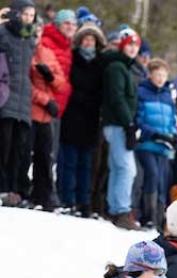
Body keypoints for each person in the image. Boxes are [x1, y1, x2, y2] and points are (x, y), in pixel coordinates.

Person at [57, 22, 105, 217]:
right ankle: (67, 199)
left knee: (86, 164)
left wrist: (93, 101)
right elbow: (69, 83)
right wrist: (80, 97)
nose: (88, 43)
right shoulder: (72, 58)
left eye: (91, 40)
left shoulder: (100, 63)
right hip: (71, 115)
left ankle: (84, 202)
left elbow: (101, 90)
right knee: (69, 161)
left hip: (91, 119)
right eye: (85, 39)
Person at [29, 8, 72, 210]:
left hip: (47, 113)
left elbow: (62, 83)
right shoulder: (28, 51)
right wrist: (45, 100)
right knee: (26, 154)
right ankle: (23, 190)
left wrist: (50, 77)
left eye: (39, 31)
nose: (36, 34)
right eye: (34, 31)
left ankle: (43, 195)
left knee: (46, 155)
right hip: (32, 109)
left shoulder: (47, 52)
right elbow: (23, 84)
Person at [99, 26, 140, 229]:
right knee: (127, 169)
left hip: (120, 124)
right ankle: (122, 210)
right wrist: (128, 123)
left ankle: (115, 208)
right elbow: (117, 98)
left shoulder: (125, 68)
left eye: (136, 45)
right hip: (118, 124)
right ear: (122, 46)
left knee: (118, 167)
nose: (132, 48)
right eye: (129, 45)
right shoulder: (117, 67)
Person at [133, 58, 177, 228]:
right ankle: (147, 215)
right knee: (151, 175)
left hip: (164, 146)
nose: (160, 79)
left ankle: (158, 218)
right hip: (147, 143)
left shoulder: (167, 96)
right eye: (157, 75)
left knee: (161, 180)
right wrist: (154, 134)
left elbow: (172, 120)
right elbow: (139, 119)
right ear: (150, 75)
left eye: (164, 75)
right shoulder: (142, 92)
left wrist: (172, 135)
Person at [0, 0, 36, 206]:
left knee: (19, 148)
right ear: (16, 13)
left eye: (31, 15)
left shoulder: (30, 39)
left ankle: (12, 190)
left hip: (23, 99)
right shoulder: (3, 33)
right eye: (25, 14)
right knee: (3, 144)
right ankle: (2, 187)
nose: (28, 19)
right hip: (5, 96)